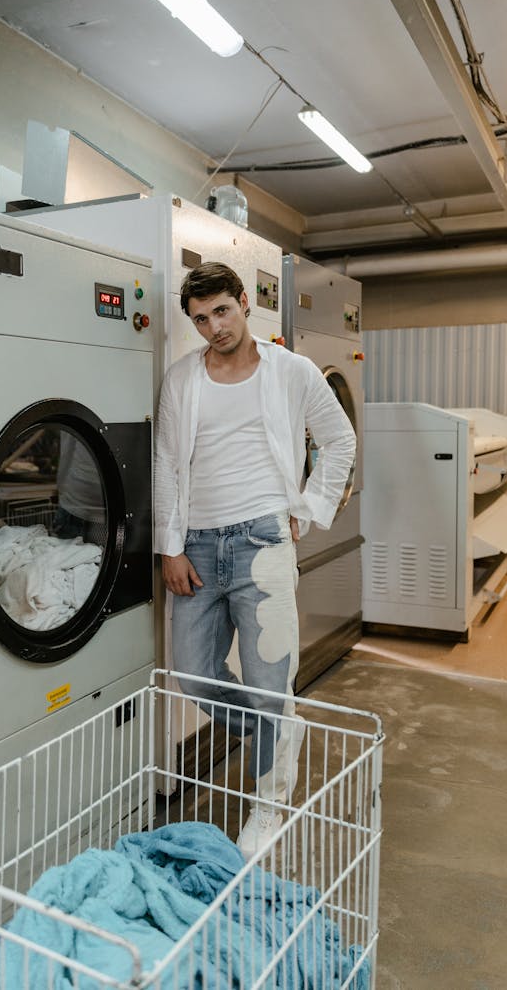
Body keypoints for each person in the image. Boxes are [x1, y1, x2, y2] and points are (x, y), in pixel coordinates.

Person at [154, 261, 356, 859]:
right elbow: (167, 462)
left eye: (222, 311)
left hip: (263, 543)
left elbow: (340, 439)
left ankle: (270, 805)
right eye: (200, 319)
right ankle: (281, 727)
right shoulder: (182, 379)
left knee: (270, 680)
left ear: (245, 303)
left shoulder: (290, 371)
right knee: (192, 673)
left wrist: (311, 505)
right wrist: (169, 547)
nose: (213, 327)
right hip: (195, 545)